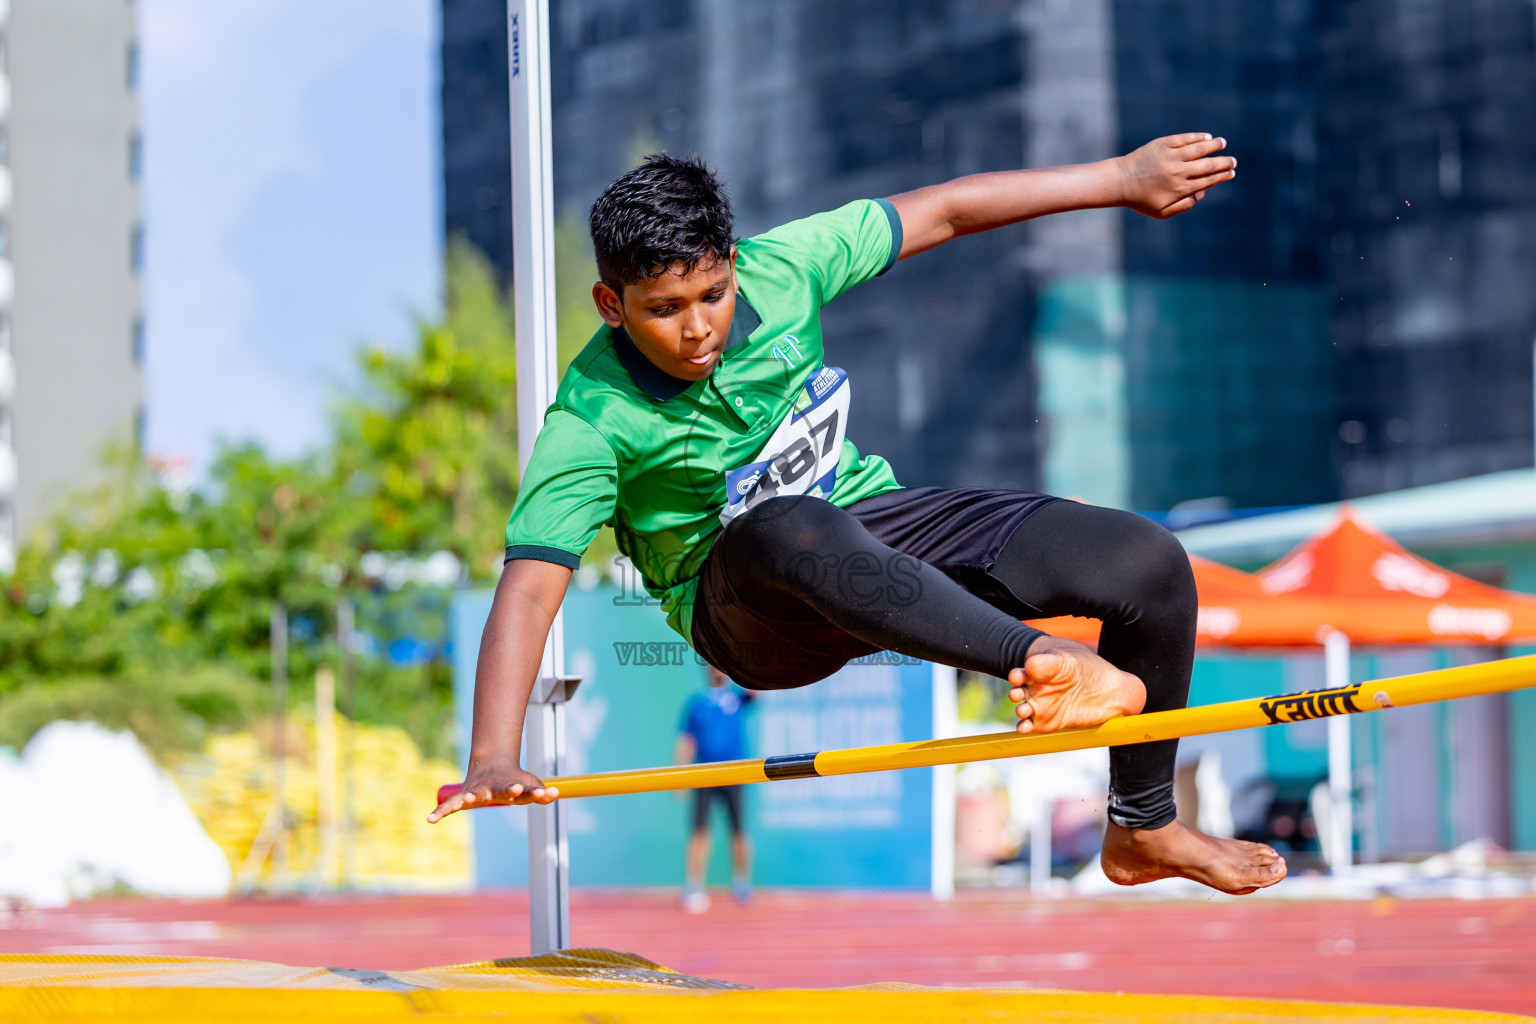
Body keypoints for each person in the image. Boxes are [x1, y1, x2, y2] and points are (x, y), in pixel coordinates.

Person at [430, 134, 1289, 896]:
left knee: (1143, 561)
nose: (698, 331)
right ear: (610, 305)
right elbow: (530, 590)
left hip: (871, 523)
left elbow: (948, 211)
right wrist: (492, 756)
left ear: (734, 261)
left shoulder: (788, 265)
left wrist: (1122, 176)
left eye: (713, 295)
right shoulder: (590, 422)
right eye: (663, 310)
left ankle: (1142, 826)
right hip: (744, 611)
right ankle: (1045, 659)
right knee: (782, 525)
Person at [674, 665, 754, 912]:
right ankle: (694, 885)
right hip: (704, 776)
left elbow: (759, 688)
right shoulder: (697, 704)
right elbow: (685, 741)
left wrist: (737, 660)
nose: (716, 668)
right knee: (699, 831)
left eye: (720, 663)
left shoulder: (738, 698)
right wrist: (679, 778)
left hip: (735, 775)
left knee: (739, 831)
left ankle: (742, 884)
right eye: (712, 663)